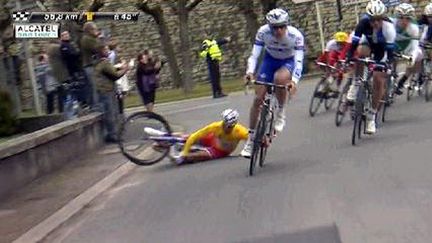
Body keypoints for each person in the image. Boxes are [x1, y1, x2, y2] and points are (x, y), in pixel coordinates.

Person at [240, 8, 303, 158]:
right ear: (269, 27)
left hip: (288, 62)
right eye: (275, 27)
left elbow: (298, 61)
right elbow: (254, 55)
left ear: (287, 25)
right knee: (257, 99)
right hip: (270, 60)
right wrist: (250, 72)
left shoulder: (296, 36)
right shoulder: (263, 32)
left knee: (280, 79)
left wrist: (294, 81)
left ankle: (281, 110)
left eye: (282, 26)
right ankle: (251, 139)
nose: (279, 30)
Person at [345, 0, 396, 134]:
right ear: (368, 18)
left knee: (379, 80)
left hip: (382, 50)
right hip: (367, 44)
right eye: (372, 20)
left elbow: (390, 54)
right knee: (360, 53)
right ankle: (356, 83)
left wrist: (386, 64)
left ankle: (371, 117)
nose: (375, 23)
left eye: (378, 20)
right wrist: (349, 56)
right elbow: (354, 43)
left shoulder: (389, 28)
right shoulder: (362, 23)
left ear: (383, 18)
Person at [170, 109, 248, 165]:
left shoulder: (240, 131)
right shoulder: (215, 126)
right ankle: (167, 135)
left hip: (219, 151)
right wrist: (185, 151)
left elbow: (253, 140)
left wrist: (246, 151)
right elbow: (194, 136)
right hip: (212, 139)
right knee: (187, 137)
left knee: (193, 157)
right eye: (226, 126)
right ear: (223, 122)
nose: (228, 129)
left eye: (231, 127)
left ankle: (183, 154)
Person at [93, 45, 129, 143]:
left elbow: (111, 71)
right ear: (101, 52)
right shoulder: (104, 62)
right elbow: (114, 75)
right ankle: (113, 135)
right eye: (105, 49)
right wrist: (125, 69)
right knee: (111, 113)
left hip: (105, 89)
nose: (107, 51)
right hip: (107, 90)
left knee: (110, 112)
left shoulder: (99, 63)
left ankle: (112, 133)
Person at [391, 3, 423, 95]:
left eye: (407, 18)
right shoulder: (391, 22)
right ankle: (392, 74)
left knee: (415, 60)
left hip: (408, 46)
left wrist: (412, 58)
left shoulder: (413, 28)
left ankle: (401, 82)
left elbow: (415, 47)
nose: (404, 21)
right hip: (394, 43)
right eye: (401, 18)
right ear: (397, 17)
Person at [60, 31, 88, 107]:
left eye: (67, 34)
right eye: (64, 35)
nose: (67, 36)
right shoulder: (63, 46)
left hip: (77, 67)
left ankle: (83, 101)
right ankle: (81, 102)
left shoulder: (70, 44)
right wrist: (78, 54)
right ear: (62, 37)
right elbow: (70, 55)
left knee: (81, 84)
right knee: (77, 86)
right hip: (72, 69)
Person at [80, 21, 103, 108]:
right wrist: (99, 38)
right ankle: (96, 106)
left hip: (91, 65)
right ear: (90, 30)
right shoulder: (87, 39)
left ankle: (94, 105)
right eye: (95, 29)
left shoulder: (89, 38)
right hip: (90, 65)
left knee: (93, 86)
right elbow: (97, 48)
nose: (96, 30)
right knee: (95, 86)